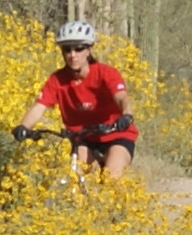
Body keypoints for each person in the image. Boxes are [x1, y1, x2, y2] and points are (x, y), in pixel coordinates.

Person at [18, 18, 139, 176]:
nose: (72, 55)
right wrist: (24, 127)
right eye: (67, 50)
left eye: (78, 49)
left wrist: (126, 115)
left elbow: (122, 98)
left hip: (116, 135)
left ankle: (119, 198)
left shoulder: (106, 73)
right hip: (84, 138)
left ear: (89, 50)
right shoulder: (57, 80)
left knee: (111, 177)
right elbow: (40, 106)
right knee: (76, 175)